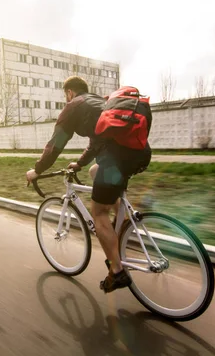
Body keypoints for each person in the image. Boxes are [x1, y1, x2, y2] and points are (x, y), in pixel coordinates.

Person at [25, 76, 152, 293]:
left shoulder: (73, 107)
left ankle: (117, 272)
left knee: (98, 212)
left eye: (65, 96)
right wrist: (81, 163)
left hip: (116, 161)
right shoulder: (101, 103)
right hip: (141, 154)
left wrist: (36, 171)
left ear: (69, 93)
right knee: (96, 171)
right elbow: (97, 143)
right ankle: (124, 223)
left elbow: (55, 145)